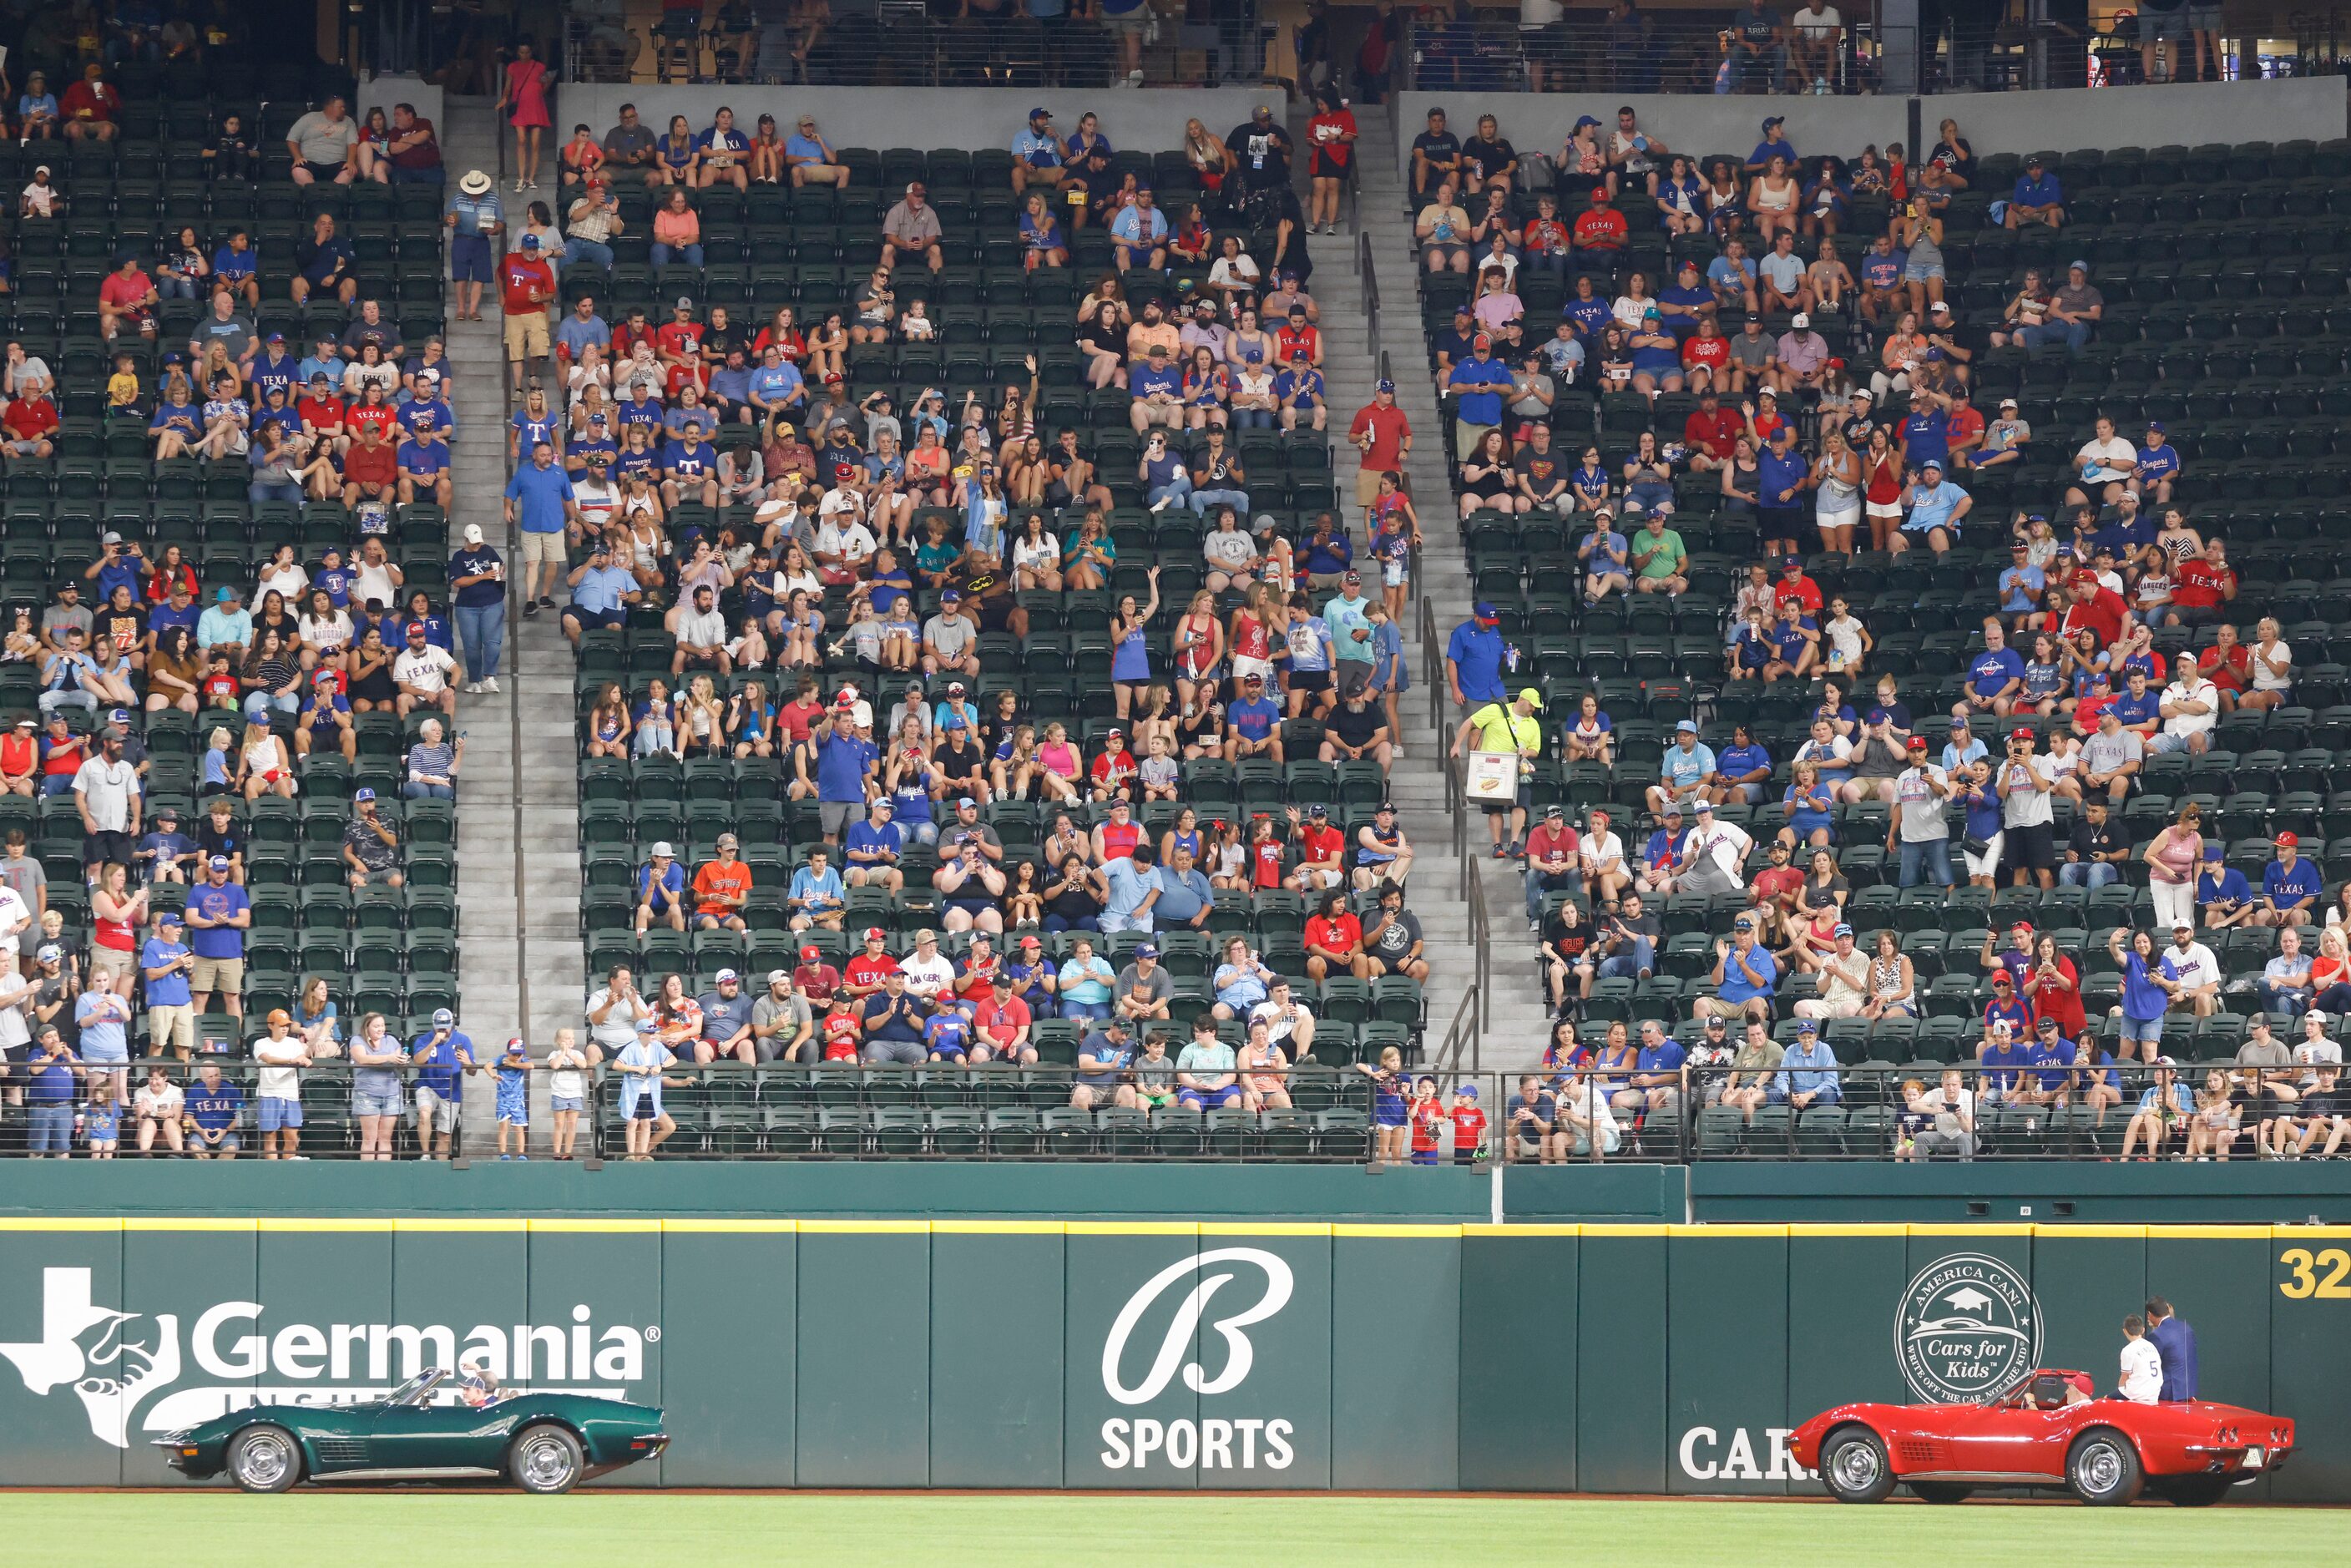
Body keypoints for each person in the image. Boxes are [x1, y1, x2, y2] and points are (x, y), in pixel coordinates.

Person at [2145, 1297, 2198, 1401]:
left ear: (2150, 1314)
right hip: (2188, 1389)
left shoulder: (2157, 1335)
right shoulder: (2186, 1327)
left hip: (2168, 1393)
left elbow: (2149, 1364)